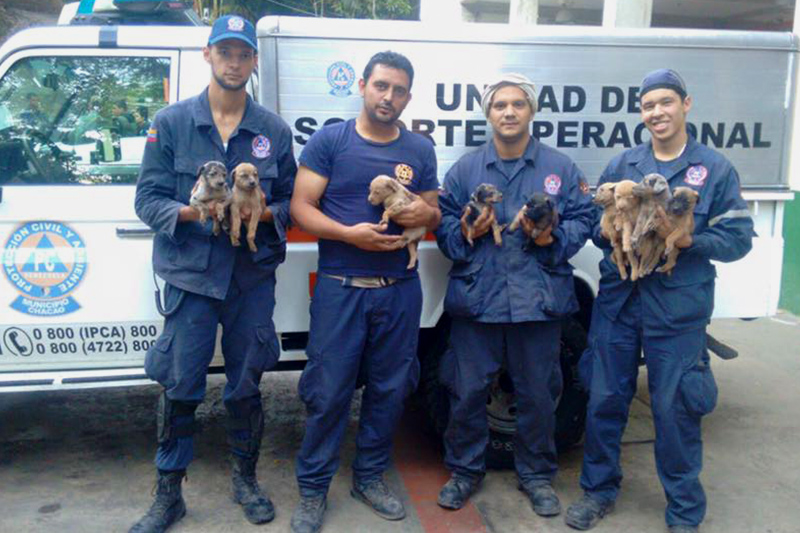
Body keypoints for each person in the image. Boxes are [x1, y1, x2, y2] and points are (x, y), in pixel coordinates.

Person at [564, 69, 755, 533]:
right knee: (605, 399)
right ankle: (598, 491)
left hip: (677, 307)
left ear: (685, 105)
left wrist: (689, 242)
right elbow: (597, 225)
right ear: (641, 113)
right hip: (619, 303)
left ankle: (684, 510)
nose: (657, 113)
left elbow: (738, 239)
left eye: (665, 102)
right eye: (648, 106)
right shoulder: (622, 166)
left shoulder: (714, 169)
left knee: (676, 407)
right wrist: (611, 229)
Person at [131, 14, 296, 533]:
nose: (233, 61)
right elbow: (147, 199)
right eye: (224, 51)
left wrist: (258, 211)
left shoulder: (272, 130)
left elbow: (293, 202)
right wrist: (194, 211)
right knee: (181, 384)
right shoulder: (173, 122)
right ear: (208, 55)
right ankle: (168, 492)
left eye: (243, 53)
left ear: (252, 61)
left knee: (246, 382)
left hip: (249, 278)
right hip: (191, 278)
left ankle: (245, 480)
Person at [288, 51, 440, 533]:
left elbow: (434, 213)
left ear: (408, 97)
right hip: (340, 288)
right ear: (362, 85)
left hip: (399, 290)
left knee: (390, 390)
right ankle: (313, 489)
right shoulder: (331, 140)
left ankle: (369, 476)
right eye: (380, 86)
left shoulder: (419, 149)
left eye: (398, 90)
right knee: (328, 392)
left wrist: (426, 215)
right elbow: (300, 207)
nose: (388, 97)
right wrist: (349, 234)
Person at [434, 73, 594, 517]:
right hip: (477, 302)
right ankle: (464, 471)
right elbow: (444, 228)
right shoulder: (466, 170)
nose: (508, 112)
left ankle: (537, 475)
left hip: (537, 303)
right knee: (466, 392)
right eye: (499, 105)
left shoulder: (559, 168)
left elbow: (584, 220)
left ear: (531, 111)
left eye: (517, 104)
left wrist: (551, 240)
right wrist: (466, 232)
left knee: (539, 394)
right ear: (488, 113)